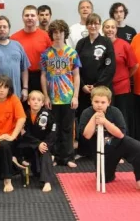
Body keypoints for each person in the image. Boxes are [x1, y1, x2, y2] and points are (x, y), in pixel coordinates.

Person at [81, 86, 140, 189]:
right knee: (104, 178)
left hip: (118, 144)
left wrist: (105, 122)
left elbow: (121, 134)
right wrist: (94, 118)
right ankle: (110, 172)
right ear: (91, 101)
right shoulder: (87, 113)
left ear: (109, 102)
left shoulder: (115, 112)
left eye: (103, 102)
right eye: (96, 102)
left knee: (138, 148)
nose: (99, 105)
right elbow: (87, 135)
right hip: (102, 150)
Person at [41, 20, 81, 167]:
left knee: (68, 129)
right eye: (55, 32)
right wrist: (45, 96)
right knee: (53, 129)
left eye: (60, 32)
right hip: (52, 98)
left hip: (68, 97)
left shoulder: (72, 53)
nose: (57, 35)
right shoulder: (46, 54)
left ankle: (69, 157)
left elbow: (76, 75)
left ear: (65, 33)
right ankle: (57, 157)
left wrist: (75, 96)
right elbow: (43, 75)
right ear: (51, 34)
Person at [76, 13, 115, 157]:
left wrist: (98, 86)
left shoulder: (106, 42)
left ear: (100, 25)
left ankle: (108, 149)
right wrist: (83, 85)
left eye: (96, 23)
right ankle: (84, 150)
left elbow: (110, 66)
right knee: (84, 118)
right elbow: (76, 67)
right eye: (90, 23)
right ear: (86, 25)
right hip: (84, 89)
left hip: (101, 90)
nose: (93, 26)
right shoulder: (81, 43)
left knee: (105, 118)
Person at [102, 19, 138, 136]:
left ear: (116, 29)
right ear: (103, 29)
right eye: (107, 27)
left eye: (112, 27)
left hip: (122, 88)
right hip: (105, 89)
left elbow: (134, 65)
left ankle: (123, 144)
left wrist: (125, 77)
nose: (110, 30)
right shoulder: (100, 44)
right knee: (107, 118)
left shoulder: (124, 45)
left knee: (122, 118)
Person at [17, 90, 56, 192]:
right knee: (17, 145)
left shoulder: (47, 115)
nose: (35, 102)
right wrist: (37, 143)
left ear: (42, 103)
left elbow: (52, 133)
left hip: (43, 143)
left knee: (45, 150)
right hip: (29, 144)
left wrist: (44, 144)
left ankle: (47, 182)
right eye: (33, 99)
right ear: (28, 102)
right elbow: (23, 133)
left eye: (39, 100)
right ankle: (23, 162)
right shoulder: (24, 115)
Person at [11, 5, 52, 92]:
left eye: (32, 15)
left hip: (41, 76)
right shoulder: (14, 38)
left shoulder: (46, 36)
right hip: (21, 76)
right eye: (26, 15)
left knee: (40, 105)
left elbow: (52, 58)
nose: (29, 18)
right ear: (22, 17)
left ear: (37, 17)